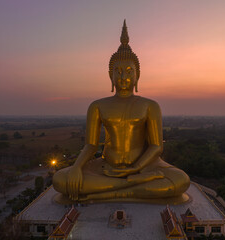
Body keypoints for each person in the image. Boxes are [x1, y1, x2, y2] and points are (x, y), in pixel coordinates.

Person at [53, 20, 190, 202]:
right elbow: (91, 145)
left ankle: (112, 192)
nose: (123, 77)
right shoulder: (97, 106)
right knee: (61, 180)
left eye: (128, 71)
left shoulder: (150, 105)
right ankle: (131, 188)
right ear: (110, 76)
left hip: (146, 166)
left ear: (137, 75)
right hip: (106, 166)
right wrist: (77, 167)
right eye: (117, 72)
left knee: (181, 181)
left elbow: (156, 146)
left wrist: (136, 168)